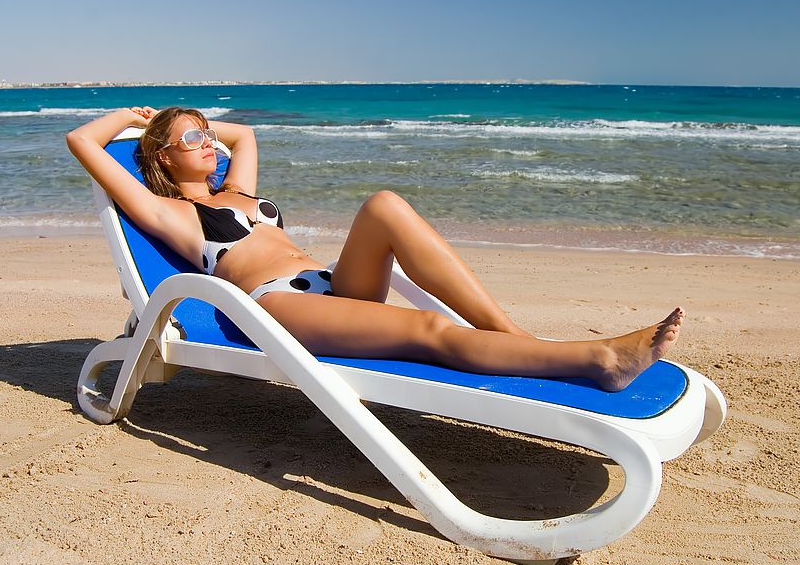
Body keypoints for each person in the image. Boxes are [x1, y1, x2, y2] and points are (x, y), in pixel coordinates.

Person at [67, 106, 684, 392]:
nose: (210, 142)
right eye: (192, 139)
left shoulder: (238, 191)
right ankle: (596, 363)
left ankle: (514, 337)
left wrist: (191, 124)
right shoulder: (173, 213)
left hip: (332, 283)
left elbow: (245, 131)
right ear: (163, 157)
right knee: (424, 328)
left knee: (384, 203)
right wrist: (134, 118)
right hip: (277, 306)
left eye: (206, 133)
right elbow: (83, 141)